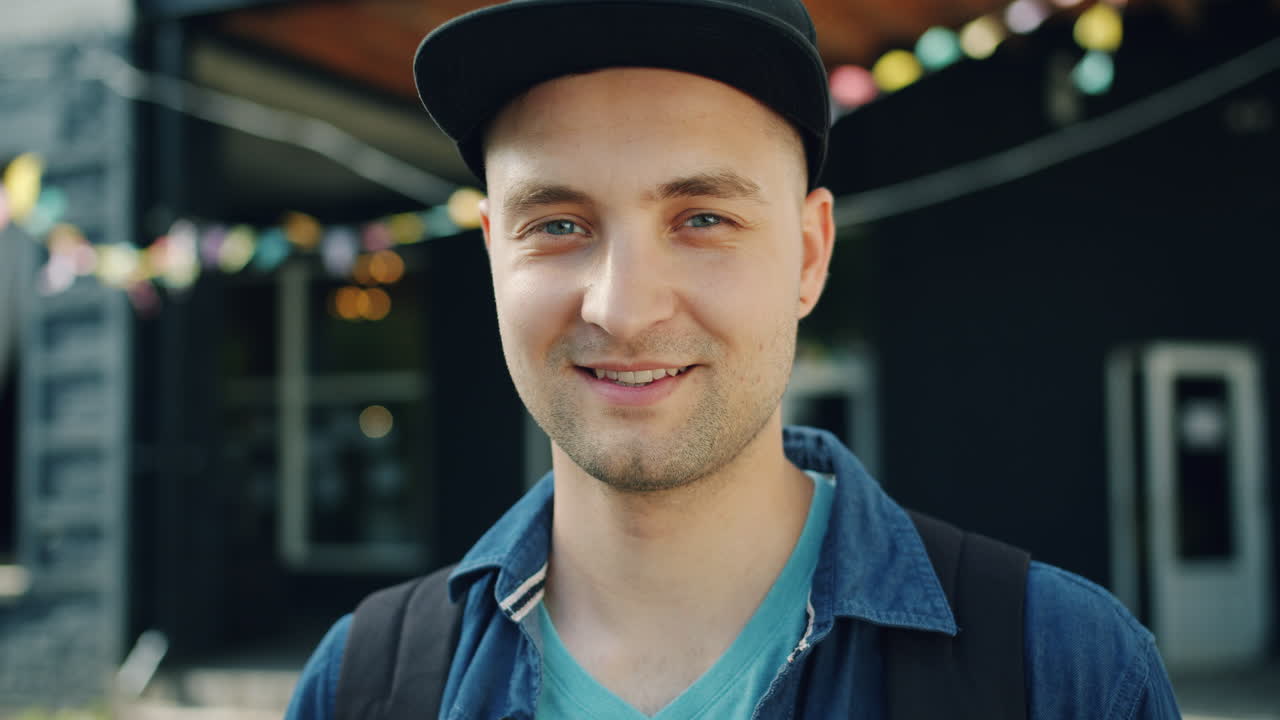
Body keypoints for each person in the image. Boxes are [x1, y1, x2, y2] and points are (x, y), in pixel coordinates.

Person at [285, 0, 1181, 717]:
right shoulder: (362, 685)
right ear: (492, 255)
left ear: (808, 254)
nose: (623, 309)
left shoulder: (1062, 676)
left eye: (702, 219)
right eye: (558, 225)